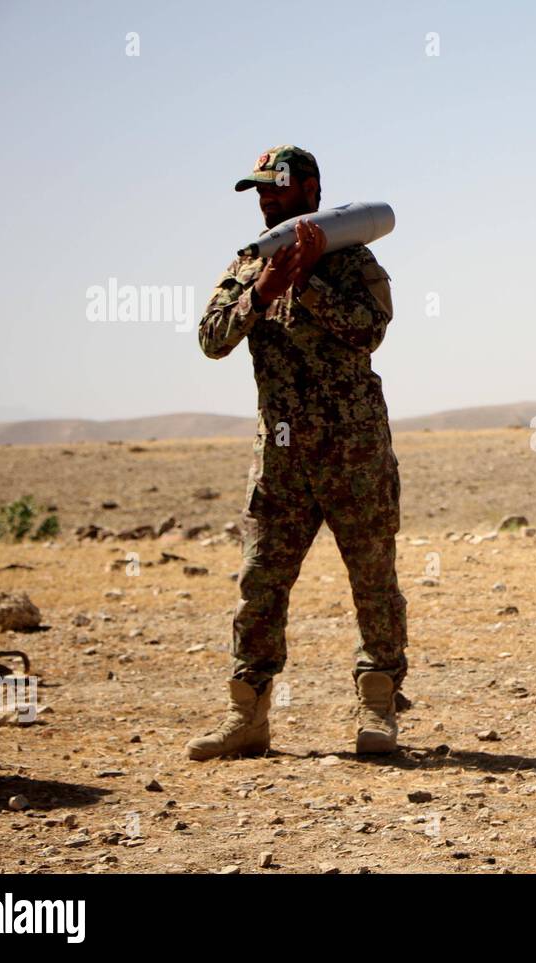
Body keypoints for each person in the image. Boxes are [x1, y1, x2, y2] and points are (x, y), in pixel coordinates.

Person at [187, 145, 408, 760]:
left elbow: (370, 332)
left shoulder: (354, 260)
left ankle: (378, 708)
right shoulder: (249, 263)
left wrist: (306, 284)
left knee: (373, 582)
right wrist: (263, 291)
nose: (265, 200)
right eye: (259, 191)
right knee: (260, 584)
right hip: (280, 460)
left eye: (275, 189)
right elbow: (211, 339)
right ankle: (248, 716)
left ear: (309, 188)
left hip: (354, 453)